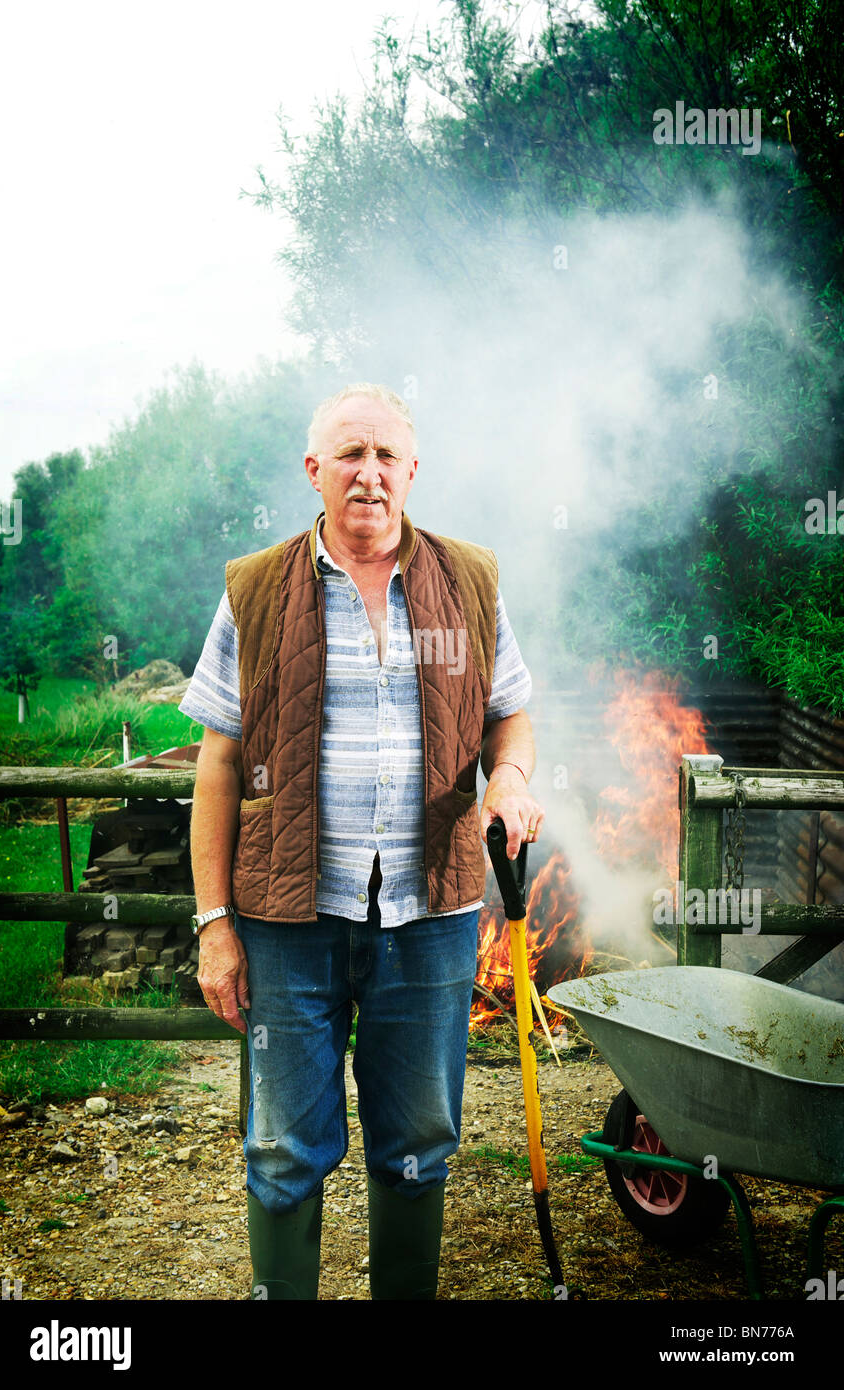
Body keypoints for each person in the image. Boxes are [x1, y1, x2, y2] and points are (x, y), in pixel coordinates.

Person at [178, 383, 545, 1300]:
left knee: (419, 1143)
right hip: (285, 921)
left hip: (431, 916)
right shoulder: (256, 591)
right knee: (282, 1146)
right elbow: (217, 766)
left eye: (387, 456)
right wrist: (214, 924)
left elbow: (512, 716)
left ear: (413, 472)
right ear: (315, 471)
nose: (369, 475)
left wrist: (510, 775)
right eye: (350, 455)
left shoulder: (469, 581)